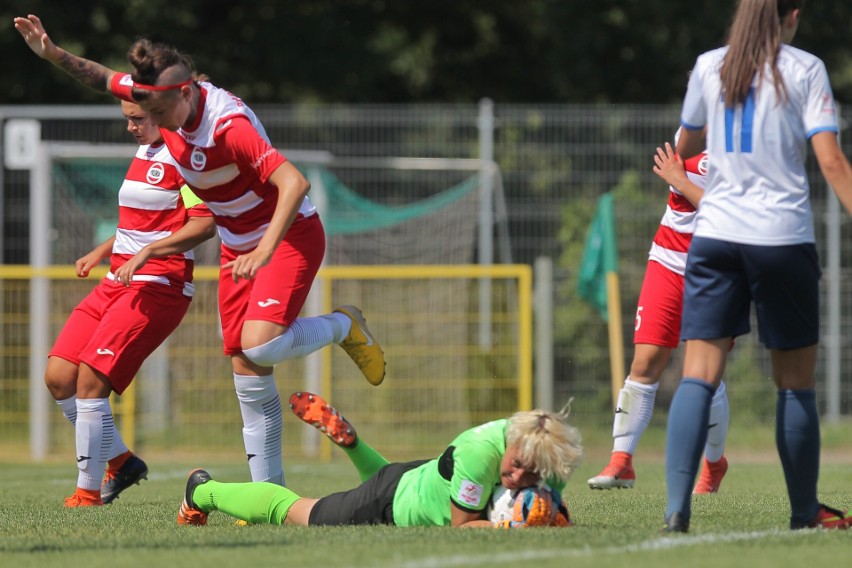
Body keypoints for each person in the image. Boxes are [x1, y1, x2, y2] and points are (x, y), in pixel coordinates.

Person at [15, 15, 386, 487]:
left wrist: (265, 249)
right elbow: (98, 75)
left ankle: (343, 324)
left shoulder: (227, 127)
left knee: (262, 344)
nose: (156, 124)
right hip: (237, 245)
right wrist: (52, 53)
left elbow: (295, 182)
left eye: (162, 114)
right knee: (246, 369)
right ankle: (268, 496)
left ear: (186, 95)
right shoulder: (159, 95)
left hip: (287, 234)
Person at [665, 0, 852, 532]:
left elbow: (689, 141)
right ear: (792, 16)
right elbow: (831, 161)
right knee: (794, 383)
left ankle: (676, 509)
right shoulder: (805, 68)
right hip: (780, 238)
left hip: (715, 235)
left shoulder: (708, 65)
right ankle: (803, 512)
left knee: (698, 375)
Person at [46, 99, 216, 506]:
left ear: (162, 113)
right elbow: (136, 224)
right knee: (58, 376)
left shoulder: (185, 158)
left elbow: (205, 224)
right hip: (117, 278)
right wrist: (102, 250)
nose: (130, 127)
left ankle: (86, 495)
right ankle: (122, 461)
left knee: (90, 381)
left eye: (137, 119)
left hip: (159, 286)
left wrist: (149, 254)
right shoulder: (144, 150)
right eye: (127, 119)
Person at [176, 392, 583, 528]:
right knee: (296, 511)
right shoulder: (481, 453)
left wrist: (554, 515)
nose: (517, 476)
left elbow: (554, 504)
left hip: (412, 477)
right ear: (510, 442)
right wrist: (509, 528)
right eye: (515, 464)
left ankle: (355, 447)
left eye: (531, 473)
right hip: (388, 505)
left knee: (390, 479)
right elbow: (463, 526)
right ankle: (202, 491)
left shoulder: (546, 454)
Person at [588, 141, 731, 494]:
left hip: (718, 268)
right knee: (645, 361)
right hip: (667, 261)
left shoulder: (750, 136)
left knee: (703, 372)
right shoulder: (693, 125)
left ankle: (714, 465)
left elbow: (731, 212)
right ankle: (622, 461)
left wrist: (679, 180)